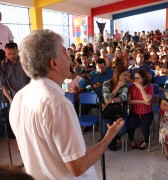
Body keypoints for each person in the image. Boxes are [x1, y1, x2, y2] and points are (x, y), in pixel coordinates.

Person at [9, 29, 124, 179]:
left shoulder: (19, 97)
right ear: (54, 62)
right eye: (64, 52)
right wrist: (109, 136)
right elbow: (78, 166)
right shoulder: (57, 104)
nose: (69, 58)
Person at [0, 42, 30, 138]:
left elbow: (31, 78)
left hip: (27, 95)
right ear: (5, 52)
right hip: (13, 97)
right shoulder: (3, 66)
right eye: (9, 54)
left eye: (14, 53)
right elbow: (3, 86)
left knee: (29, 119)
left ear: (18, 51)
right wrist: (10, 99)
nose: (11, 56)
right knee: (17, 121)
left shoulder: (25, 62)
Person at [102, 65, 129, 151]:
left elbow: (123, 98)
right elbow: (106, 98)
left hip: (119, 110)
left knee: (122, 129)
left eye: (127, 75)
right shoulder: (106, 83)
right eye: (124, 75)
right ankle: (111, 139)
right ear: (118, 74)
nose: (126, 77)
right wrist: (118, 86)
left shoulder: (125, 85)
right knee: (105, 130)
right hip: (108, 111)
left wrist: (111, 101)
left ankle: (112, 137)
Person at [127, 69, 154, 150]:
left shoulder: (150, 87)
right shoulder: (131, 87)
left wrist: (140, 88)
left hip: (147, 112)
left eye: (138, 78)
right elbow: (128, 101)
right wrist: (142, 101)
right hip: (134, 112)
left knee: (144, 127)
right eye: (135, 78)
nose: (136, 80)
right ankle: (131, 140)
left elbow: (147, 100)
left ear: (144, 78)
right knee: (130, 125)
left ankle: (146, 141)